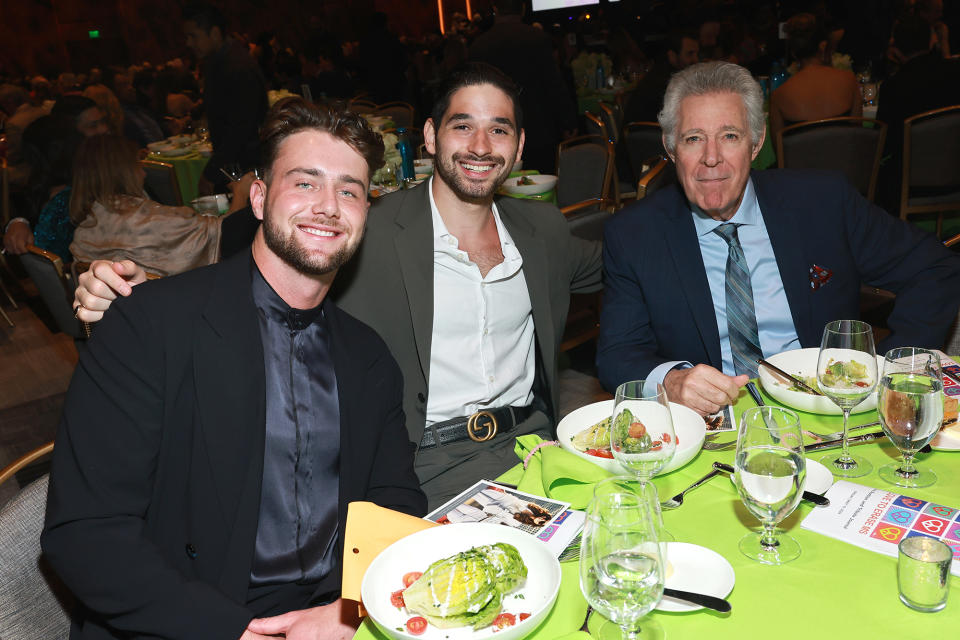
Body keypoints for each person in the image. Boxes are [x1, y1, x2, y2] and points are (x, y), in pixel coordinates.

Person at [72, 63, 602, 509]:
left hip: (536, 447)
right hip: (426, 466)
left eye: (500, 129)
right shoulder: (366, 229)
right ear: (431, 136)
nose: (481, 146)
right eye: (463, 126)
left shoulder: (543, 232)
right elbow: (268, 279)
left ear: (520, 144)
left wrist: (685, 187)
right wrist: (146, 292)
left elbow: (622, 261)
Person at [42, 98, 426, 640]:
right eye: (305, 182)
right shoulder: (152, 325)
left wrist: (352, 607)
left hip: (328, 618)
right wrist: (232, 630)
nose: (328, 205)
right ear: (261, 197)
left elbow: (397, 499)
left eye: (349, 190)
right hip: (187, 620)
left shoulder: (367, 357)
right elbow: (86, 532)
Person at [597, 61, 960, 416]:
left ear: (756, 143)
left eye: (729, 136)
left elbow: (934, 268)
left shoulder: (822, 202)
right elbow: (617, 354)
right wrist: (672, 382)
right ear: (671, 147)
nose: (711, 158)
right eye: (694, 139)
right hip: (714, 428)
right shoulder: (634, 235)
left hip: (828, 414)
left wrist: (885, 368)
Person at [66, 133, 250, 275]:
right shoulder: (144, 221)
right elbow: (222, 235)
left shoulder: (85, 227)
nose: (144, 174)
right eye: (138, 166)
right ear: (124, 172)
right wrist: (240, 194)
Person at [468, 0, 577, 174]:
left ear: (495, 10)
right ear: (523, 10)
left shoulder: (479, 45)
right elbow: (553, 83)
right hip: (538, 128)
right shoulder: (537, 38)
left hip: (495, 131)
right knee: (540, 184)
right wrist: (568, 121)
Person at [876, 14, 960, 215]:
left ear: (895, 48)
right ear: (931, 41)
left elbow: (885, 144)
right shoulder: (956, 73)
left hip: (910, 183)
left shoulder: (894, 87)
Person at [182, 2, 268, 194]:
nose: (188, 43)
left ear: (214, 33)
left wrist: (211, 173)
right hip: (235, 163)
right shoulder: (219, 60)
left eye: (193, 36)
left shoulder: (237, 66)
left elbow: (240, 128)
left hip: (246, 167)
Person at [769, 13, 862, 143]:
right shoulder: (849, 79)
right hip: (844, 162)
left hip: (799, 163)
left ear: (794, 53)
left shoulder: (779, 96)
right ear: (823, 46)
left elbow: (781, 153)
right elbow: (858, 138)